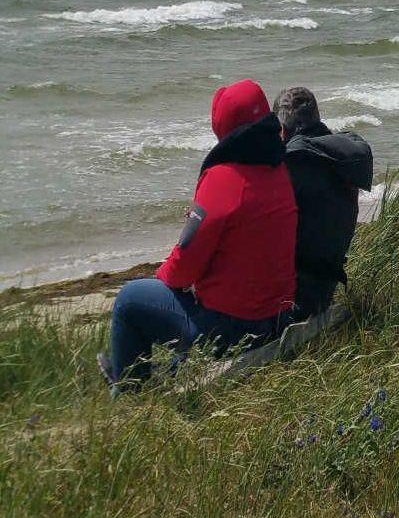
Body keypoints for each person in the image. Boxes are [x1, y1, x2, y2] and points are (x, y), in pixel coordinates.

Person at [101, 79, 296, 389]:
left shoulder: (221, 178)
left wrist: (162, 275)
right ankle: (159, 373)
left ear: (222, 127)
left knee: (129, 299)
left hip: (229, 330)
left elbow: (182, 270)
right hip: (273, 319)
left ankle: (127, 392)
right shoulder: (279, 169)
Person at [277, 86, 374, 320]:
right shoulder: (340, 158)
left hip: (292, 297)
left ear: (282, 130)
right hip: (325, 287)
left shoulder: (293, 165)